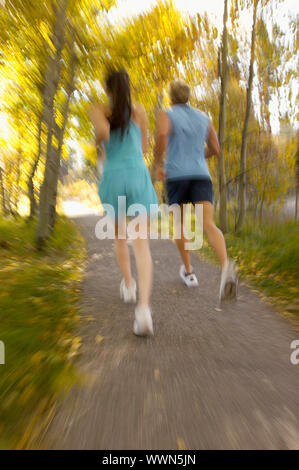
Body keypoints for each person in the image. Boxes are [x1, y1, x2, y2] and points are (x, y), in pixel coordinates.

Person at [154, 79, 237, 301]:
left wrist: (157, 164)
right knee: (208, 224)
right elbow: (216, 148)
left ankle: (189, 273)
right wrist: (199, 157)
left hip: (176, 176)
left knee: (180, 224)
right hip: (201, 176)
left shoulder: (167, 113)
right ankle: (226, 267)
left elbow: (162, 136)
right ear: (188, 96)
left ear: (170, 96)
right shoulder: (204, 117)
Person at [90, 69, 158, 336]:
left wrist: (100, 134)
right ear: (128, 88)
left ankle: (129, 286)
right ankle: (143, 311)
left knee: (120, 238)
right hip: (137, 175)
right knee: (142, 246)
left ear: (108, 90)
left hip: (114, 177)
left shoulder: (99, 109)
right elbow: (144, 148)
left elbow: (103, 134)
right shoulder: (139, 111)